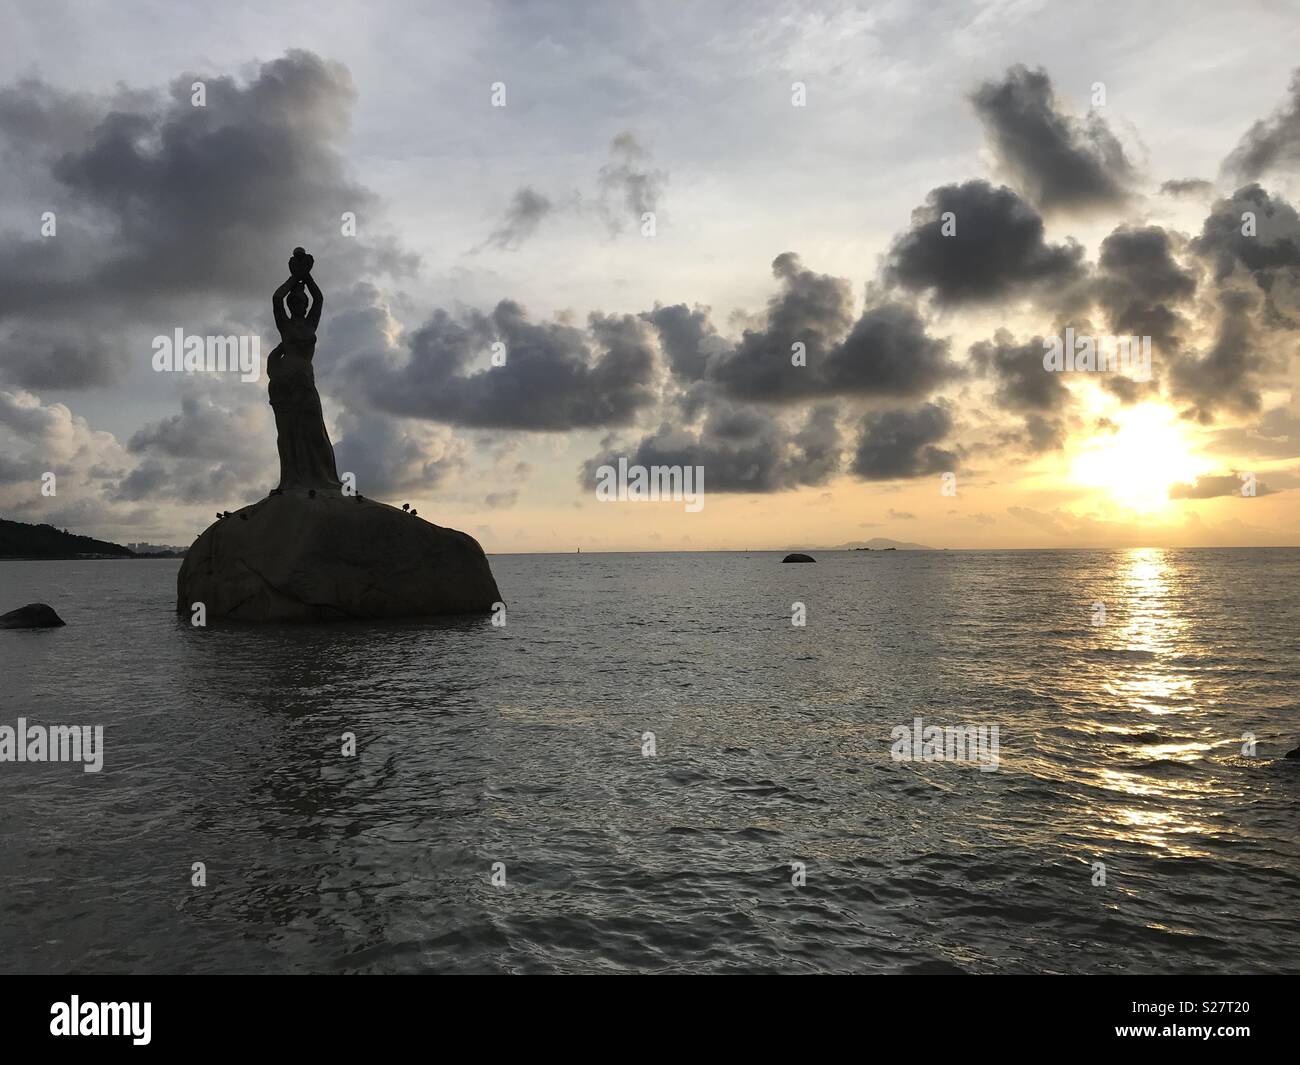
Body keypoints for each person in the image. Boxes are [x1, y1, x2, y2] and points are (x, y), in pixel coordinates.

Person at [267, 249, 342, 491]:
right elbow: (276, 299)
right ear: (291, 304)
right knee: (288, 432)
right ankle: (292, 479)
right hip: (285, 382)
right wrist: (293, 279)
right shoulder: (285, 325)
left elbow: (319, 299)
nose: (299, 302)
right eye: (295, 301)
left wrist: (306, 276)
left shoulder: (310, 323)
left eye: (302, 300)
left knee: (314, 430)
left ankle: (322, 479)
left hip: (305, 381)